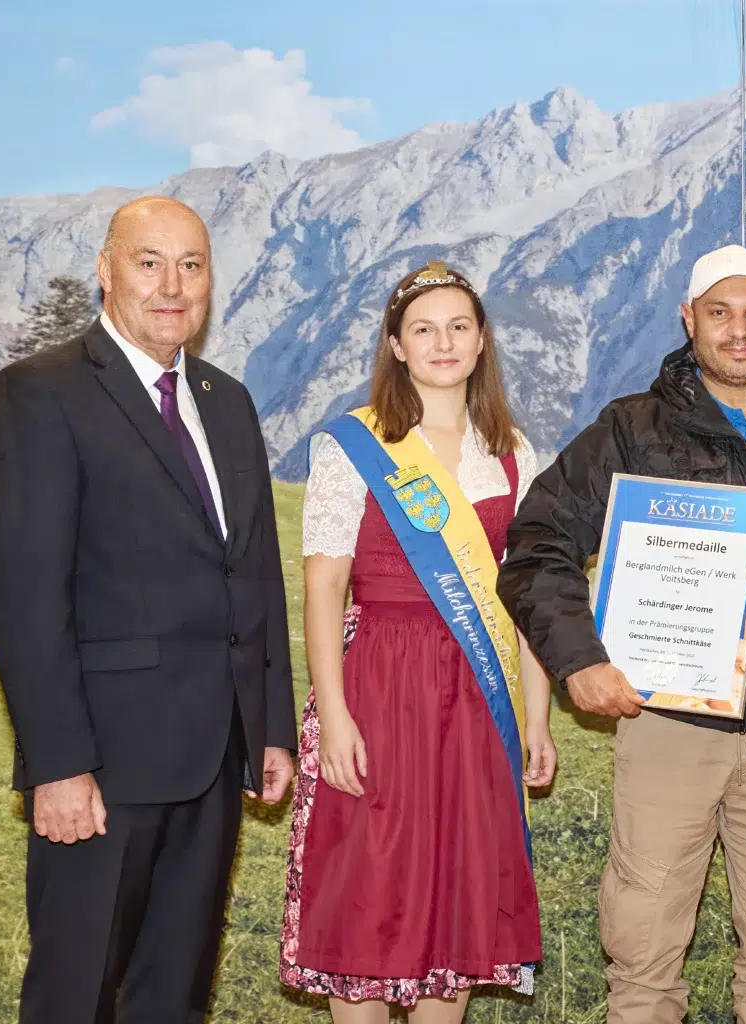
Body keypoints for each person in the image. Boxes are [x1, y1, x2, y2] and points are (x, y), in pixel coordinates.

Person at [498, 244, 746, 1024]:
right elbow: (536, 547)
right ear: (689, 319)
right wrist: (578, 659)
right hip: (667, 728)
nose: (738, 331)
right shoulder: (629, 429)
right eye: (719, 313)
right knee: (645, 955)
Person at [0, 195, 297, 1023]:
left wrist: (269, 726)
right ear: (106, 270)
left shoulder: (228, 402)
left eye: (191, 265)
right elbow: (24, 595)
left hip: (216, 757)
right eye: (149, 262)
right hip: (100, 766)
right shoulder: (38, 394)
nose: (172, 285)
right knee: (75, 994)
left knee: (175, 994)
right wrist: (56, 763)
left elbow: (254, 575)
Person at [280, 261, 556, 1024]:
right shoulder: (351, 445)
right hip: (376, 686)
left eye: (459, 327)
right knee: (367, 890)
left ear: (481, 341)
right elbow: (325, 589)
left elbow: (525, 596)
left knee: (455, 893)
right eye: (424, 329)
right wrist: (333, 718)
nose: (443, 343)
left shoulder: (511, 454)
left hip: (474, 696)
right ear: (396, 346)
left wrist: (535, 718)